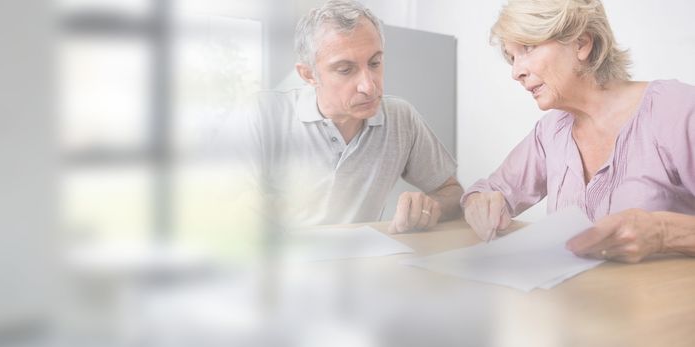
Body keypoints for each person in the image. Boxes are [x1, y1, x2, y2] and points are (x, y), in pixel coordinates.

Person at [464, 0, 695, 263]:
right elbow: (489, 191)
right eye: (512, 57)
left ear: (581, 43)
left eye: (527, 47)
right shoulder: (550, 131)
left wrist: (662, 233)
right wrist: (480, 204)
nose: (516, 72)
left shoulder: (675, 109)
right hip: (581, 301)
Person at [218, 0, 461, 233]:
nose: (369, 86)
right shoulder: (263, 116)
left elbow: (453, 191)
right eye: (345, 70)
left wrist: (432, 207)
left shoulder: (401, 118)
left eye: (375, 63)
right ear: (308, 75)